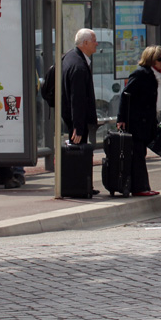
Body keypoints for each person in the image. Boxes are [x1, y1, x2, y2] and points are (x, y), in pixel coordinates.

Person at [115, 45, 161, 197]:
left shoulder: (157, 75)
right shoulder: (141, 74)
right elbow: (125, 95)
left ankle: (142, 186)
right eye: (160, 59)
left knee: (140, 153)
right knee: (137, 154)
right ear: (151, 60)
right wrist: (121, 118)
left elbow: (158, 94)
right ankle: (139, 187)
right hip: (137, 121)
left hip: (148, 120)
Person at [62, 28, 99, 195]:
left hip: (73, 117)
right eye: (94, 40)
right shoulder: (78, 66)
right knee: (79, 152)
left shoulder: (70, 57)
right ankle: (80, 186)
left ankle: (83, 185)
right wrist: (78, 126)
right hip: (77, 120)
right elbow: (77, 99)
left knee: (79, 152)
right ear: (85, 43)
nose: (96, 44)